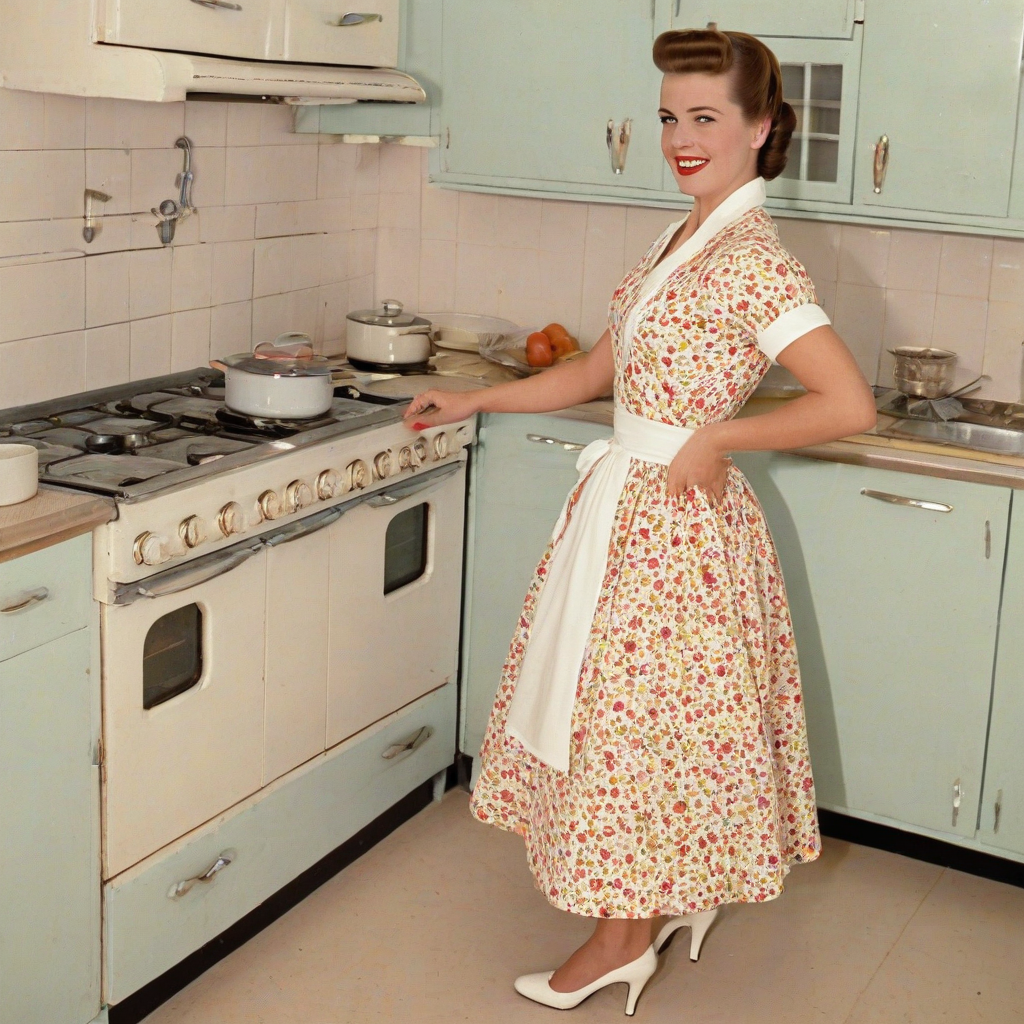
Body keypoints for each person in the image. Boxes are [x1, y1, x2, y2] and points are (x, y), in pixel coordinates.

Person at [403, 26, 877, 1017]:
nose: (680, 139)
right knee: (640, 728)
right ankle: (661, 905)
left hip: (674, 530)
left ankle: (621, 941)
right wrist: (474, 399)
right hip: (630, 513)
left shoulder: (752, 260)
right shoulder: (684, 238)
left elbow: (848, 404)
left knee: (631, 735)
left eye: (705, 117)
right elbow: (592, 372)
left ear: (761, 127)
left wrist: (719, 436)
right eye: (669, 116)